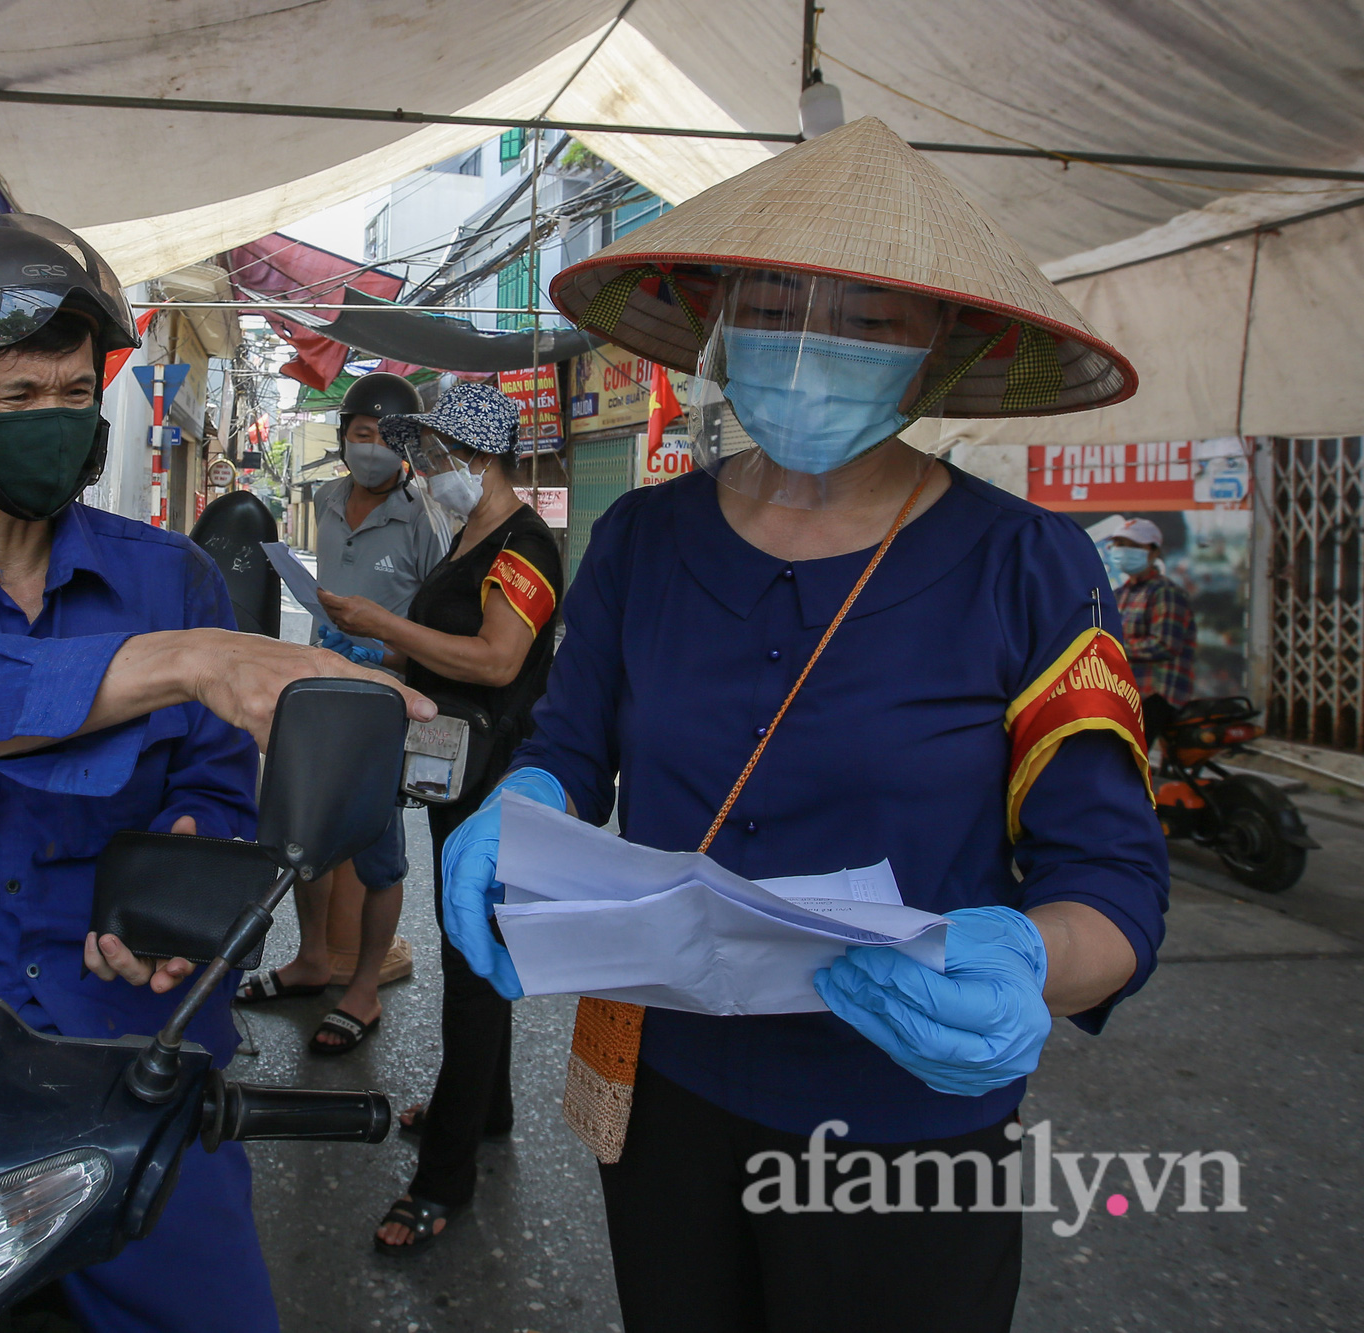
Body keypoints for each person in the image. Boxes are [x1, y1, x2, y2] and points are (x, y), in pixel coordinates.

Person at [442, 118, 1168, 1329]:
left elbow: (1111, 882)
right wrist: (519, 810)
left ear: (936, 344)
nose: (810, 345)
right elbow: (570, 747)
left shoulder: (1026, 565)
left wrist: (1036, 963)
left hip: (906, 1120)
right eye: (774, 303)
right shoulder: (639, 541)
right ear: (717, 311)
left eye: (866, 321)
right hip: (665, 1085)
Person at [0, 214, 430, 1333]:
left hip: (139, 1042)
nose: (56, 422)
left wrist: (188, 874)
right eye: (17, 398)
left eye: (74, 394)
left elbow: (221, 787)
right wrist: (195, 659)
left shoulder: (169, 574)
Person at [312, 381, 564, 1255]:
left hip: (499, 782)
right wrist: (368, 641)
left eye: (435, 455)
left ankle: (443, 1178)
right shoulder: (467, 536)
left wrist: (387, 622)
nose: (424, 469)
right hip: (454, 770)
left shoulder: (525, 546)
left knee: (473, 963)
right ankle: (481, 1110)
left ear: (479, 458)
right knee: (471, 949)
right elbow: (445, 646)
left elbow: (498, 661)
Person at [236, 371, 444, 1055]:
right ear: (344, 438)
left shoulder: (424, 518)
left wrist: (391, 653)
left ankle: (361, 988)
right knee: (309, 838)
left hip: (386, 703)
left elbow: (440, 621)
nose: (373, 449)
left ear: (407, 446)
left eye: (389, 438)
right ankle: (310, 959)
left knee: (380, 853)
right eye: (361, 435)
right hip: (321, 690)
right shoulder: (324, 497)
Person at [1109, 517, 1197, 746]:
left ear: (1153, 552)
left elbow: (1164, 645)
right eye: (1118, 544)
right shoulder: (1119, 594)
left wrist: (1113, 649)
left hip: (1156, 692)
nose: (1123, 550)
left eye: (1133, 546)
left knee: (1126, 757)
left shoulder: (1165, 592)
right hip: (1124, 691)